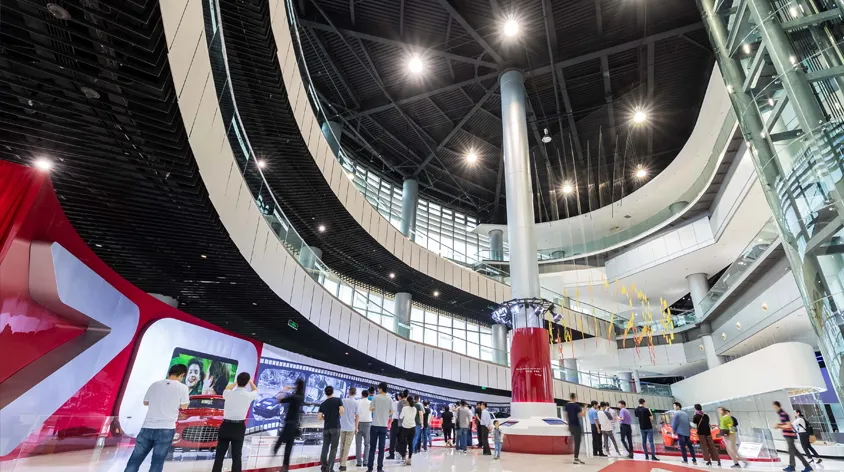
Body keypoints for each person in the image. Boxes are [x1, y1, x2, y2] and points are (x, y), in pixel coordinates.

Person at [124, 364, 190, 472]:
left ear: (169, 373)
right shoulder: (182, 387)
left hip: (147, 427)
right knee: (157, 463)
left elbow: (145, 402)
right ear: (182, 374)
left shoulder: (155, 384)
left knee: (135, 460)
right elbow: (184, 406)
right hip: (166, 428)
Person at [212, 372, 258, 472]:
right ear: (247, 382)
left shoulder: (228, 393)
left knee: (220, 454)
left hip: (226, 425)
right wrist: (250, 382)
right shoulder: (248, 395)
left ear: (237, 380)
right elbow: (255, 390)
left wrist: (236, 382)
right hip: (238, 427)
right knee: (236, 455)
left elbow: (227, 388)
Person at [273, 378, 305, 472]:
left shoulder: (295, 397)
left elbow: (278, 399)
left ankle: (276, 453)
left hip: (290, 423)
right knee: (288, 446)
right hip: (294, 423)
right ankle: (285, 466)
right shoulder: (300, 396)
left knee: (281, 441)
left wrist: (284, 390)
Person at [775, 401, 812, 472]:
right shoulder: (782, 414)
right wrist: (780, 425)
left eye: (774, 406)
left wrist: (779, 426)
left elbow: (789, 425)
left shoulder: (784, 414)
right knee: (795, 452)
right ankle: (807, 466)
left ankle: (792, 466)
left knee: (792, 451)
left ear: (776, 406)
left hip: (789, 435)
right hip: (788, 435)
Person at [367, 382, 393, 472]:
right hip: (383, 426)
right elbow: (391, 411)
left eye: (378, 388)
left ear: (381, 388)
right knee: (381, 448)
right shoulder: (389, 399)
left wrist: (376, 409)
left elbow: (370, 409)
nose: (377, 389)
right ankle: (379, 468)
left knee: (372, 448)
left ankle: (370, 468)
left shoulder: (375, 397)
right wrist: (385, 413)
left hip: (374, 425)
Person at [318, 385, 344, 472]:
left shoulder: (323, 404)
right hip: (335, 427)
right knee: (333, 448)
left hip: (326, 428)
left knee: (325, 447)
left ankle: (323, 466)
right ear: (333, 392)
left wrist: (326, 418)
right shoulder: (338, 400)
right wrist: (336, 416)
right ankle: (329, 468)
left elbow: (319, 417)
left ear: (325, 393)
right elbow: (342, 411)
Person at [338, 387, 359, 472]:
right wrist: (356, 427)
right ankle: (343, 464)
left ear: (349, 392)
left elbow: (339, 412)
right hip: (351, 427)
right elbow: (357, 416)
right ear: (355, 393)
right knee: (347, 446)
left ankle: (341, 462)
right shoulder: (356, 403)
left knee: (342, 445)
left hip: (342, 425)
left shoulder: (343, 401)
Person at [565, 393, 586, 464]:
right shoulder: (577, 406)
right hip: (576, 426)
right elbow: (582, 415)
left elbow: (566, 415)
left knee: (574, 441)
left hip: (570, 426)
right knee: (577, 442)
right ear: (574, 397)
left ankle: (576, 457)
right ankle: (576, 458)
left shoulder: (567, 405)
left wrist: (568, 424)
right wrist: (585, 407)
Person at [399, 394, 418, 465]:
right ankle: (409, 459)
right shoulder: (414, 409)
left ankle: (404, 458)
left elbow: (401, 417)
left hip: (405, 428)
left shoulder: (405, 408)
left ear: (407, 401)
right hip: (412, 428)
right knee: (410, 443)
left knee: (403, 443)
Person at [387, 391, 407, 459]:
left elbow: (391, 412)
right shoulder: (405, 403)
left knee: (393, 438)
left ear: (399, 397)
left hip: (396, 422)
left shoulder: (395, 403)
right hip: (402, 422)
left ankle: (391, 454)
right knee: (401, 439)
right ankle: (402, 454)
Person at [355, 389, 372, 468]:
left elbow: (355, 413)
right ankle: (365, 461)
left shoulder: (358, 402)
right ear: (368, 395)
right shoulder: (371, 403)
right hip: (368, 424)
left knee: (358, 444)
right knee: (367, 444)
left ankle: (359, 462)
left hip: (358, 423)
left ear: (362, 395)